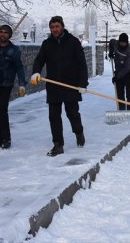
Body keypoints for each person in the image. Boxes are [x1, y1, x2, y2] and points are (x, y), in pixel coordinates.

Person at [31, 16, 88, 156]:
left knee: (72, 114)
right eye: (52, 27)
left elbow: (82, 64)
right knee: (54, 116)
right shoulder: (47, 44)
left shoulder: (73, 42)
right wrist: (36, 72)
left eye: (57, 26)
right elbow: (39, 60)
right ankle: (58, 144)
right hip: (53, 85)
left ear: (62, 26)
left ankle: (79, 132)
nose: (54, 29)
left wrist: (82, 84)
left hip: (71, 85)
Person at [0, 24, 26, 149]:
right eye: (1, 32)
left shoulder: (14, 51)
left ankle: (6, 139)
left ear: (9, 35)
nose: (3, 34)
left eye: (5, 32)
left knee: (2, 110)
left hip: (6, 84)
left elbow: (19, 67)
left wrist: (22, 84)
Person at [112, 33, 130, 111]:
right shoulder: (116, 44)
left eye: (124, 42)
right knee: (120, 93)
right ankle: (121, 110)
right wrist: (110, 52)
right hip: (119, 72)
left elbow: (127, 68)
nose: (122, 44)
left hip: (129, 74)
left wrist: (117, 77)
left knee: (129, 94)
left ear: (127, 42)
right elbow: (111, 42)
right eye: (121, 42)